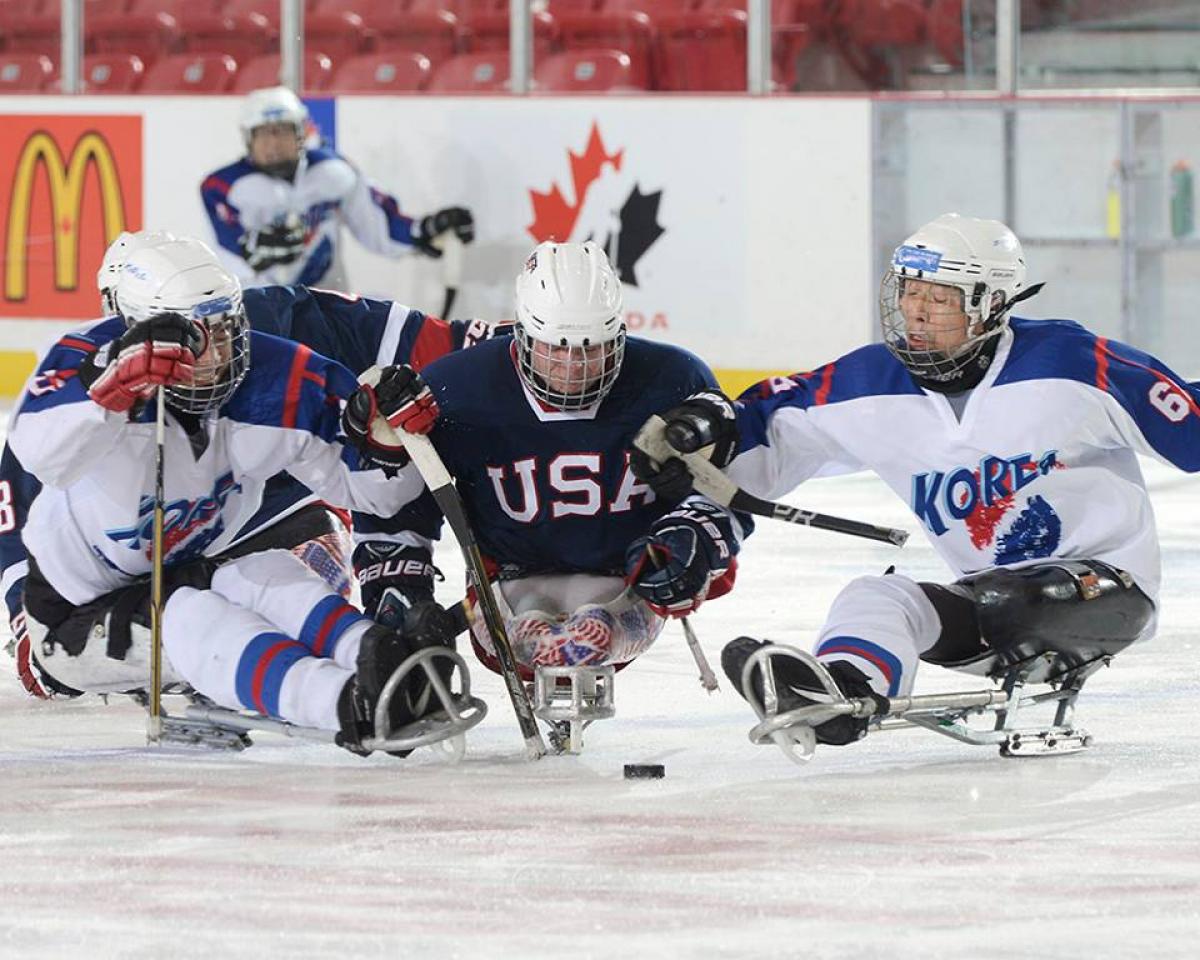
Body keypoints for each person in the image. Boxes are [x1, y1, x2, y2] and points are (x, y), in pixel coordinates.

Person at [640, 212, 1190, 748]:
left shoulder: (1071, 363)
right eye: (909, 290)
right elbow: (766, 427)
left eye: (940, 296)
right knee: (879, 596)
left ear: (989, 302)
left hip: (1108, 591)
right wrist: (699, 449)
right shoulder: (870, 382)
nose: (916, 311)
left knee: (1007, 596)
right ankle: (841, 693)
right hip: (989, 608)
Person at [2, 230, 503, 698]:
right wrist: (28, 618)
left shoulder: (280, 326)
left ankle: (392, 597)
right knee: (198, 631)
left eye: (217, 326)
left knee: (385, 450)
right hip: (142, 572)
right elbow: (24, 521)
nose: (200, 349)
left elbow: (413, 338)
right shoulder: (72, 406)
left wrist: (535, 344)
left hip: (281, 526)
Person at [352, 240, 748, 679]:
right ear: (520, 334)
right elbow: (400, 498)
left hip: (629, 576)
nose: (574, 366)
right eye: (555, 348)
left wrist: (691, 549)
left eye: (591, 348)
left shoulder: (675, 380)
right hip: (505, 577)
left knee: (583, 635)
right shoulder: (456, 388)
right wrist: (400, 591)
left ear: (619, 334)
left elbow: (728, 486)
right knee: (546, 631)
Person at [200, 86, 474, 290]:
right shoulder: (222, 186)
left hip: (327, 309)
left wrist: (426, 229)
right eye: (263, 133)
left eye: (282, 130)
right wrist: (257, 249)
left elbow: (379, 226)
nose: (273, 143)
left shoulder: (333, 171)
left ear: (300, 133)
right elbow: (232, 253)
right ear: (248, 138)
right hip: (261, 314)